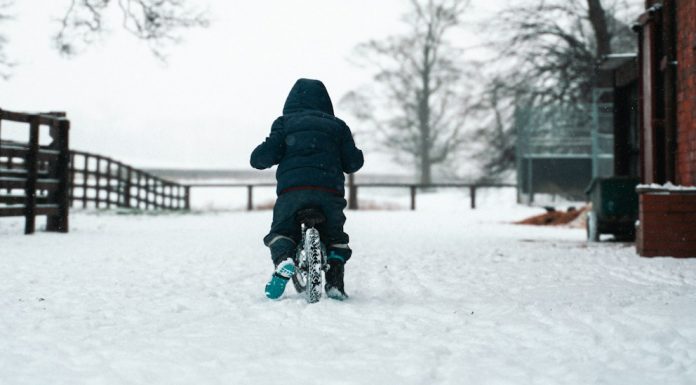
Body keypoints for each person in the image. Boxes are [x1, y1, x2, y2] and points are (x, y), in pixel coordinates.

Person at [250, 78, 364, 301]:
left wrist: (260, 157)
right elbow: (354, 163)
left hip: (293, 190)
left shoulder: (285, 123)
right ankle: (335, 284)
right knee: (335, 237)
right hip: (329, 191)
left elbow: (262, 157)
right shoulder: (338, 126)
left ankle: (284, 260)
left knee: (282, 231)